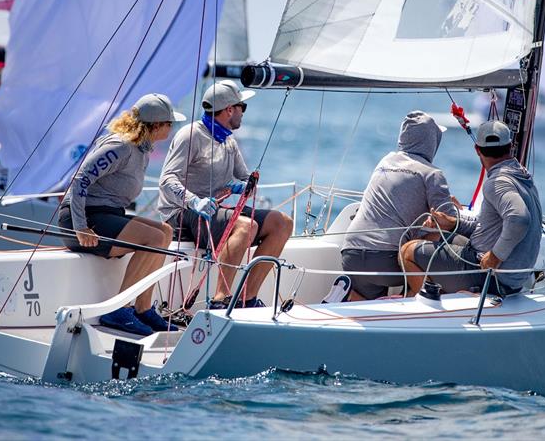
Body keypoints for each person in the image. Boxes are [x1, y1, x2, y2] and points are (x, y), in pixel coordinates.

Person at [158, 80, 294, 309]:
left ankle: (246, 298)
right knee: (245, 227)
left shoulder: (228, 140)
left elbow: (242, 176)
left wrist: (245, 185)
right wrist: (195, 201)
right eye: (243, 107)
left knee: (282, 222)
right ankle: (220, 299)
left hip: (216, 211)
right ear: (230, 109)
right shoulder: (190, 135)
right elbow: (167, 179)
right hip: (183, 213)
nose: (243, 113)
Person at [58, 93, 185, 336]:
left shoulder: (142, 148)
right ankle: (118, 309)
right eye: (170, 123)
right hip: (82, 220)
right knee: (154, 239)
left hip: (105, 214)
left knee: (165, 231)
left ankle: (143, 309)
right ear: (155, 125)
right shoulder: (121, 146)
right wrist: (80, 227)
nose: (172, 127)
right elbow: (79, 181)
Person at [326, 111, 458, 302]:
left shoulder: (385, 161)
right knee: (442, 239)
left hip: (351, 253)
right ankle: (412, 300)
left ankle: (347, 297)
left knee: (367, 303)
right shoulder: (432, 174)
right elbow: (449, 223)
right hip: (385, 262)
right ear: (432, 141)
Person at [399, 120, 542, 297]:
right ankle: (447, 293)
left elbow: (519, 219)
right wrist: (452, 223)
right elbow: (488, 226)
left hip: (490, 278)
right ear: (510, 146)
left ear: (477, 149)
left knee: (407, 251)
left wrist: (495, 256)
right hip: (512, 278)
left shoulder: (498, 182)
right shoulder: (522, 176)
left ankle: (427, 306)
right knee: (443, 236)